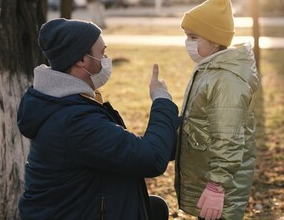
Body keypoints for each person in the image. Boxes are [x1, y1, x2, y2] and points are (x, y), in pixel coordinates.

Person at [17, 18, 179, 220]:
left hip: (81, 207)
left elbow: (127, 149)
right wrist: (161, 100)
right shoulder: (74, 121)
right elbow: (150, 159)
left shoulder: (63, 104)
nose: (106, 59)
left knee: (153, 208)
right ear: (81, 60)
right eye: (102, 53)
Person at [174, 0, 259, 220]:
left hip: (220, 187)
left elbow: (228, 137)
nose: (187, 43)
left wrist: (217, 185)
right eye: (186, 36)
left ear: (214, 39)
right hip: (205, 175)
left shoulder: (227, 80)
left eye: (193, 37)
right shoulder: (209, 69)